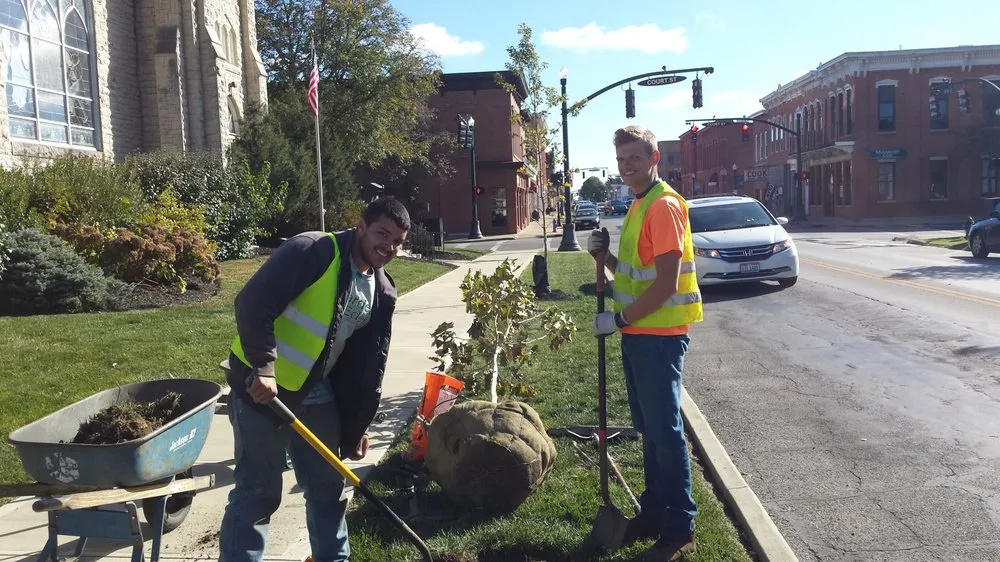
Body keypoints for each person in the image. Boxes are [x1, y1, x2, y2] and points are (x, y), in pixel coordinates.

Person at [218, 197, 410, 562]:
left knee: (327, 488)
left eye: (398, 241)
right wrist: (263, 367)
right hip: (261, 391)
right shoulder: (314, 251)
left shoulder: (382, 290)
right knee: (258, 492)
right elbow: (252, 302)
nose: (389, 246)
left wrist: (354, 427)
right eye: (382, 234)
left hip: (316, 391)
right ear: (360, 226)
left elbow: (361, 366)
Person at [588, 125, 703, 561]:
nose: (626, 166)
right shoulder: (639, 204)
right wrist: (607, 259)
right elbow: (638, 276)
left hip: (658, 337)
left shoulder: (663, 206)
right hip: (639, 336)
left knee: (666, 433)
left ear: (654, 158)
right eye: (620, 160)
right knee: (651, 432)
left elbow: (666, 285)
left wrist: (616, 320)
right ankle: (654, 511)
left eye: (634, 158)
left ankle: (680, 527)